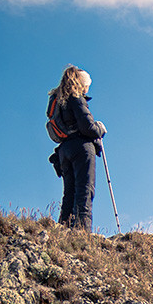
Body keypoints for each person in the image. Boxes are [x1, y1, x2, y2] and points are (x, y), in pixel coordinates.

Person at [47, 66, 106, 231]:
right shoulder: (76, 97)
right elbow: (88, 127)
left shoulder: (59, 99)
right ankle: (81, 233)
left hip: (64, 150)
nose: (87, 89)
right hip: (81, 148)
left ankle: (63, 230)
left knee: (69, 194)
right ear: (82, 84)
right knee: (84, 191)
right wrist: (100, 128)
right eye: (87, 86)